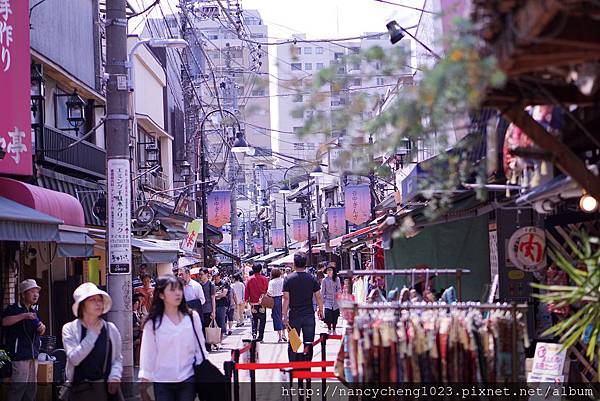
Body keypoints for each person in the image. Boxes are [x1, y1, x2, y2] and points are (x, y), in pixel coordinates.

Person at [139, 275, 207, 401]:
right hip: (162, 380)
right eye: (172, 290)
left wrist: (205, 375)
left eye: (179, 289)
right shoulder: (153, 323)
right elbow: (148, 353)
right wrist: (144, 382)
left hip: (188, 377)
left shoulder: (192, 317)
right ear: (161, 295)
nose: (177, 293)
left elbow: (200, 349)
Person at [62, 282, 122, 401]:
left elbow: (117, 359)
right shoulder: (70, 329)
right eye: (92, 300)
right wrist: (92, 334)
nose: (98, 303)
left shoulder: (110, 329)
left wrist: (115, 376)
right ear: (82, 305)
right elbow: (74, 358)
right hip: (80, 391)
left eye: (100, 299)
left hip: (105, 391)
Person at [1, 279, 46, 401]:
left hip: (33, 355)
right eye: (32, 291)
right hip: (20, 355)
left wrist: (42, 328)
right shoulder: (13, 309)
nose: (36, 294)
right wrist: (23, 316)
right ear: (23, 294)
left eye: (37, 291)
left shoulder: (34, 311)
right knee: (18, 388)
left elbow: (39, 331)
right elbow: (4, 322)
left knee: (31, 389)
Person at [282, 252, 324, 361]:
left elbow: (286, 299)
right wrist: (321, 310)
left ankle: (293, 368)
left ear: (294, 264)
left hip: (294, 315)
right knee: (308, 343)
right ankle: (307, 369)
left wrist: (284, 315)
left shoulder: (288, 279)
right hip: (309, 315)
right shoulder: (311, 278)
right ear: (305, 264)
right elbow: (318, 296)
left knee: (293, 343)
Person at [244, 263, 268, 342]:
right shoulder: (264, 279)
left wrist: (246, 301)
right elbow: (267, 290)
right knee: (262, 320)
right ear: (260, 269)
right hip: (262, 303)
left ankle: (254, 333)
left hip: (253, 303)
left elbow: (247, 292)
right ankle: (260, 336)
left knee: (254, 319)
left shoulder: (250, 279)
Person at [198, 268, 216, 350]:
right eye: (200, 274)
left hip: (208, 309)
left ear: (206, 274)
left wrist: (213, 311)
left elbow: (213, 298)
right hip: (200, 309)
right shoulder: (199, 285)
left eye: (201, 274)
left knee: (207, 329)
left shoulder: (210, 284)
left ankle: (208, 346)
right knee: (201, 329)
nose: (200, 276)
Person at [321, 265, 342, 334]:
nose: (329, 272)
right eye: (328, 270)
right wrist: (321, 302)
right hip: (327, 299)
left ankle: (334, 329)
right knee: (328, 315)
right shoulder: (324, 280)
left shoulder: (337, 279)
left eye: (331, 270)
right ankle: (329, 328)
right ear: (326, 272)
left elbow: (339, 288)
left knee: (335, 315)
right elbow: (322, 291)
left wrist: (338, 294)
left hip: (335, 300)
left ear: (333, 271)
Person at [267, 268, 286, 342]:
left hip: (275, 300)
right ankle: (284, 334)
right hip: (284, 298)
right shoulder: (283, 280)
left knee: (277, 317)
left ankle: (280, 336)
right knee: (284, 316)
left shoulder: (271, 282)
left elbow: (270, 292)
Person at [212, 272, 230, 341]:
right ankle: (215, 340)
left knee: (221, 323)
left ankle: (220, 341)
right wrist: (217, 295)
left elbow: (224, 294)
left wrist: (215, 295)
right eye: (214, 276)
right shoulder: (212, 284)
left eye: (216, 276)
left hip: (222, 305)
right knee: (213, 323)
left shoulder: (224, 283)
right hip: (213, 305)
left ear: (219, 276)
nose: (215, 278)